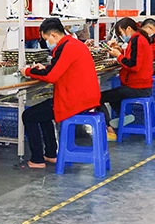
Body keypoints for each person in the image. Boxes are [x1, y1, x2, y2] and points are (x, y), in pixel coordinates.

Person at [21, 18, 101, 169]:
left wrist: (28, 71)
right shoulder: (74, 44)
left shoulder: (66, 48)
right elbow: (59, 68)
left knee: (28, 115)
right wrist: (44, 68)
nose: (47, 43)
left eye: (46, 39)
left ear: (53, 35)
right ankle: (51, 153)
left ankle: (37, 159)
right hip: (85, 97)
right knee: (42, 111)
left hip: (75, 100)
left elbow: (51, 76)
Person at [99, 18, 154, 135]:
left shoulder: (137, 40)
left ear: (128, 28)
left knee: (98, 98)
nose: (121, 36)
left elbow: (133, 65)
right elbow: (133, 56)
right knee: (114, 96)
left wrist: (118, 56)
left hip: (138, 87)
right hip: (140, 85)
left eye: (121, 33)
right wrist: (120, 51)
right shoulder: (138, 39)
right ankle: (123, 117)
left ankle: (109, 128)